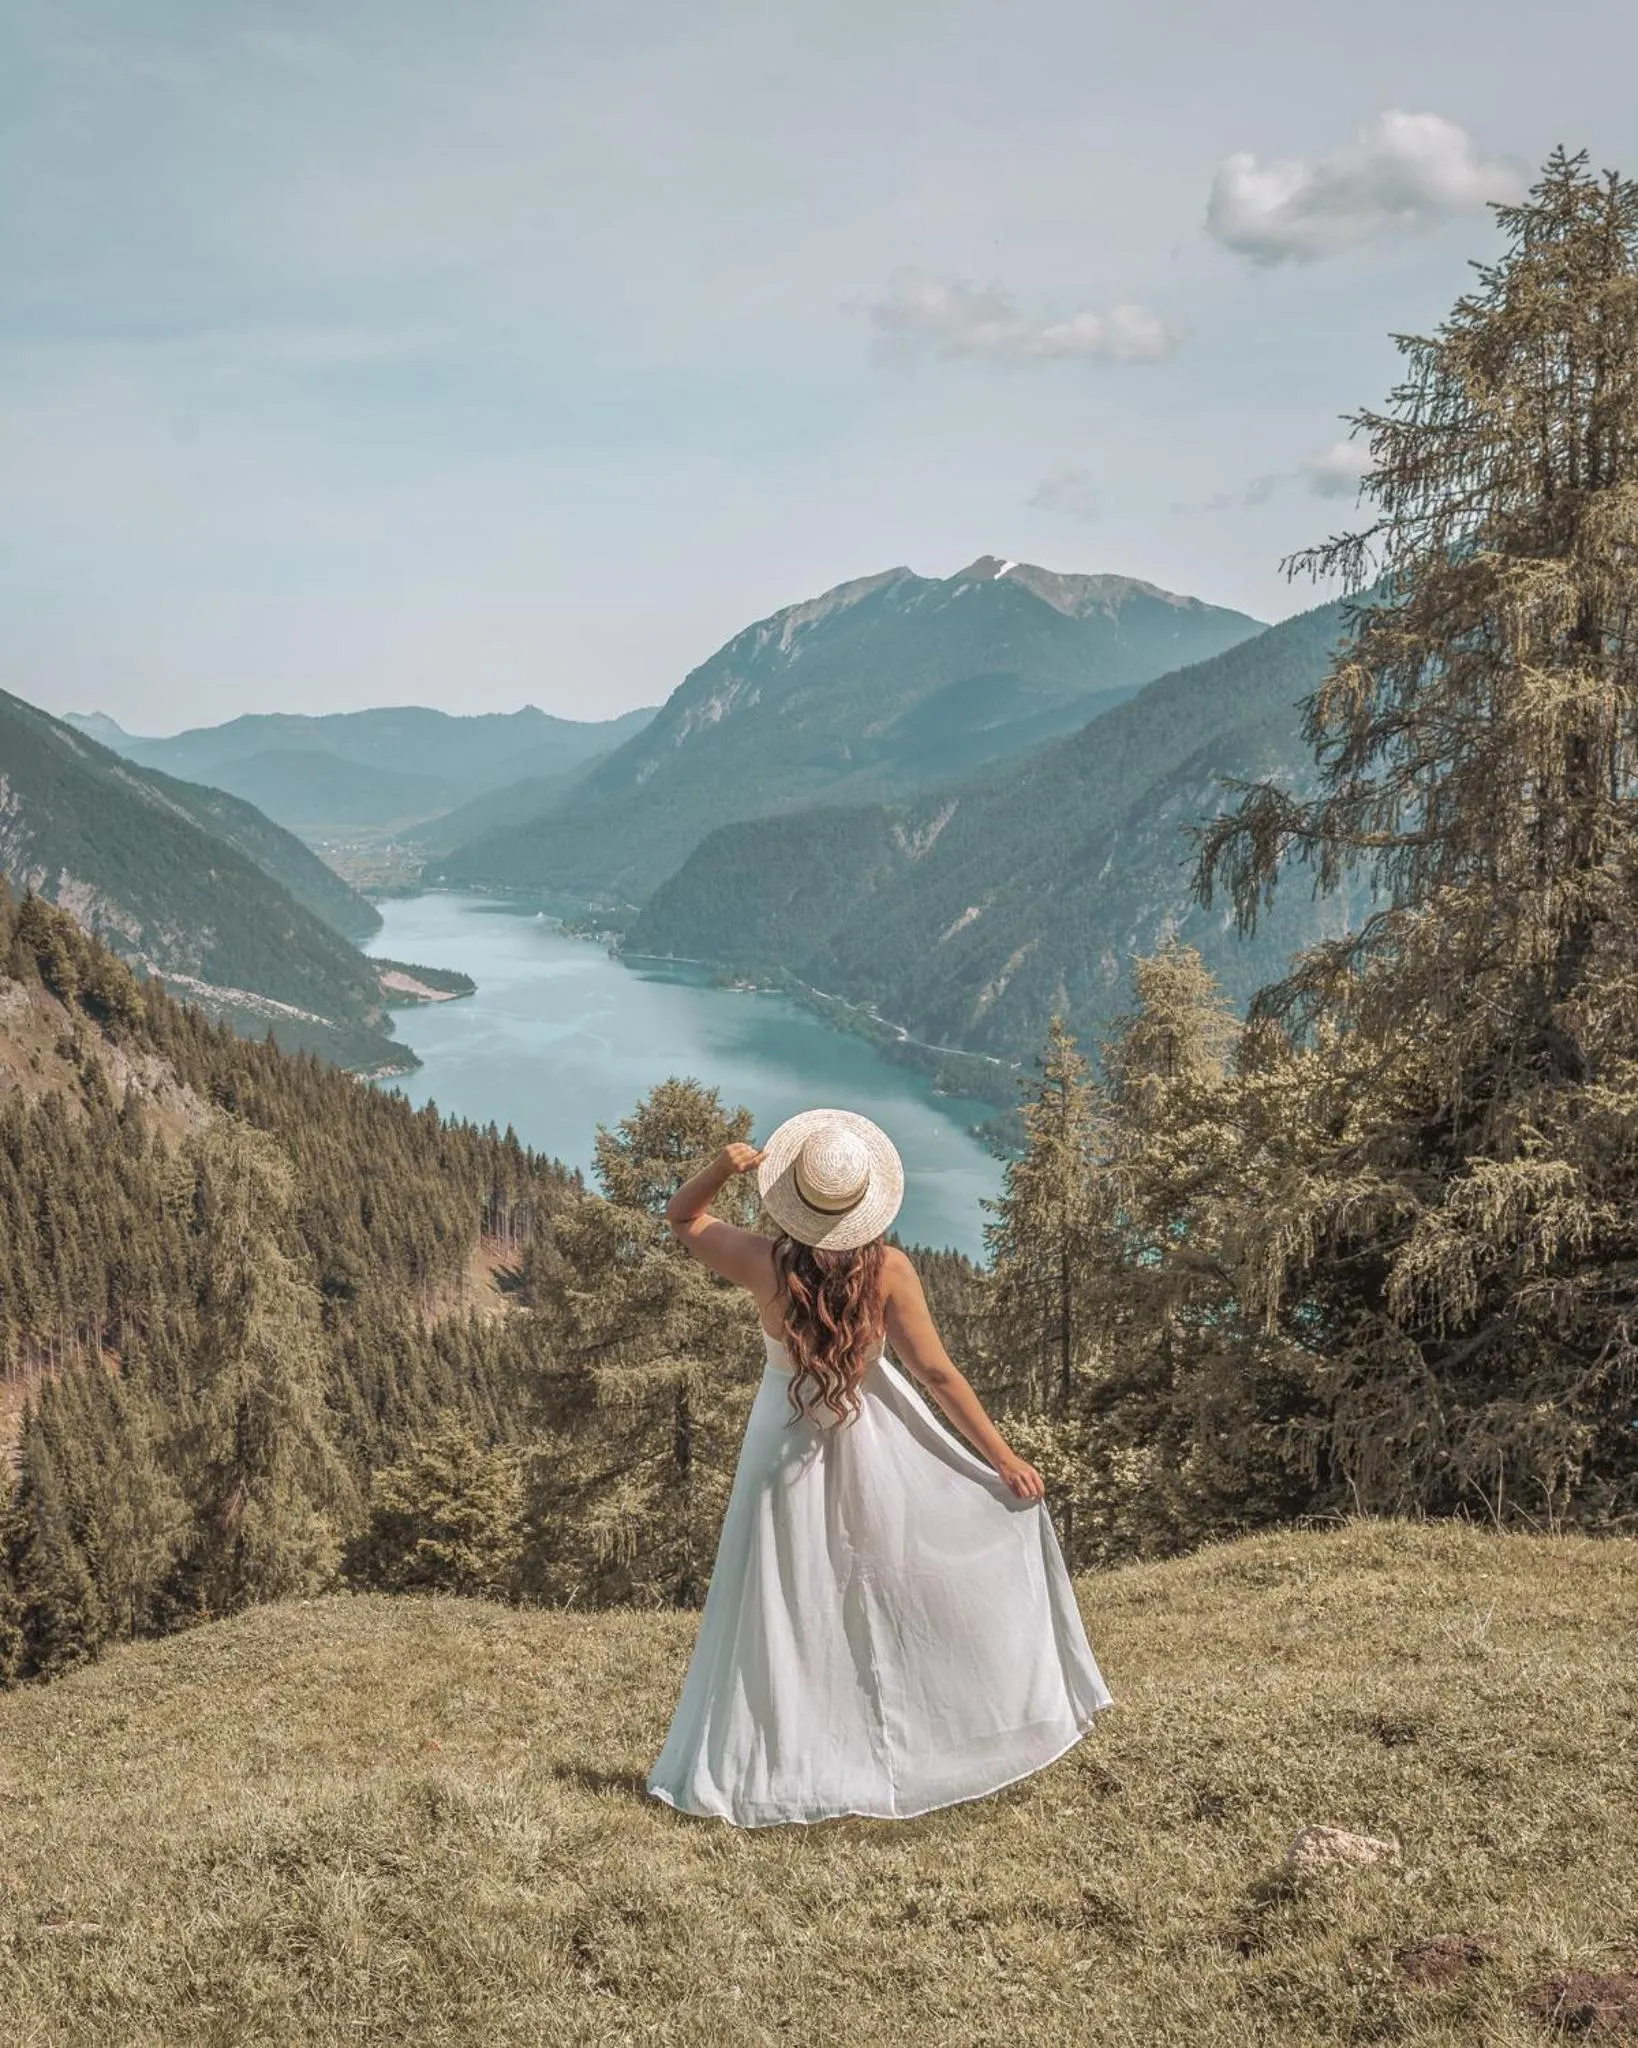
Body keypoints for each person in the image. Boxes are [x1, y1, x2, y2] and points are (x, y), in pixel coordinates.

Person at [645, 1106, 1113, 1828]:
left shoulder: (763, 1262)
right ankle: (918, 1727)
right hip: (872, 1439)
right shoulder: (888, 1270)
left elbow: (682, 1218)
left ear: (792, 1201)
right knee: (891, 1582)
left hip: (782, 1443)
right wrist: (1004, 1458)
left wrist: (719, 1168)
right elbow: (938, 1376)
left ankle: (781, 1757)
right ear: (866, 1207)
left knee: (784, 1598)